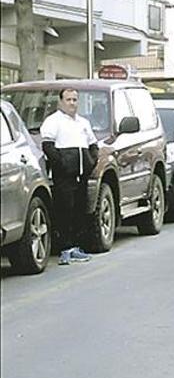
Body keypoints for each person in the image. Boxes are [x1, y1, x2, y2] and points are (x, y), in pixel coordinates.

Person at [40, 88, 106, 265]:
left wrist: (90, 162)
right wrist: (62, 164)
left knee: (79, 209)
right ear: (60, 102)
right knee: (65, 210)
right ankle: (65, 249)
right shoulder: (53, 122)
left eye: (75, 100)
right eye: (68, 100)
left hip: (81, 175)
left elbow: (93, 145)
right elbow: (47, 146)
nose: (72, 103)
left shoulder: (83, 123)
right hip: (64, 177)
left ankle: (75, 247)